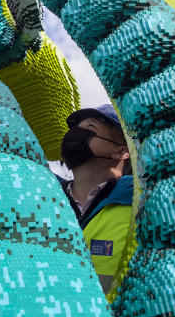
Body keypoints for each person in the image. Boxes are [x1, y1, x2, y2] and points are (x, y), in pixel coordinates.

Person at [57, 104, 133, 299]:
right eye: (75, 130)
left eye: (90, 128)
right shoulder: (42, 198)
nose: (76, 136)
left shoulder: (139, 201)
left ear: (121, 152)